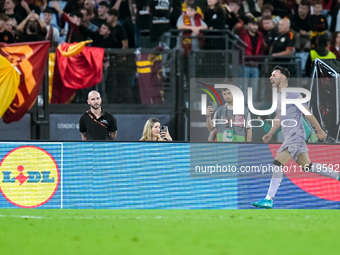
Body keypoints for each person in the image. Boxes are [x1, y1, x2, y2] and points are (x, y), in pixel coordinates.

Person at [251, 66, 340, 209]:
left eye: (274, 75)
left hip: (295, 135)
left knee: (277, 164)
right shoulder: (279, 96)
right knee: (307, 166)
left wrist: (319, 130)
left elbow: (307, 112)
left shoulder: (293, 94)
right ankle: (337, 175)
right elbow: (280, 117)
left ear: (283, 78)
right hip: (292, 136)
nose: (270, 77)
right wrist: (270, 133)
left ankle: (269, 199)